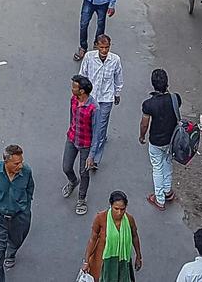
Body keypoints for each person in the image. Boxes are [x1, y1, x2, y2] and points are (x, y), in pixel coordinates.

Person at [0, 144, 35, 281]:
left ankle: (11, 253)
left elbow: (30, 189)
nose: (20, 166)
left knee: (17, 240)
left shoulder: (26, 172)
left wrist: (25, 208)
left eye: (21, 161)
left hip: (19, 216)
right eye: (16, 163)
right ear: (6, 162)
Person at [78, 32, 122, 169]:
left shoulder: (115, 60)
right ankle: (89, 149)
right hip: (90, 98)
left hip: (106, 99)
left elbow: (118, 78)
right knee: (89, 126)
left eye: (107, 47)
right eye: (101, 47)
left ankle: (95, 159)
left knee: (101, 129)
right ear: (96, 46)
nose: (104, 51)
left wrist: (117, 93)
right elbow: (82, 75)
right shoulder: (89, 57)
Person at [138, 68, 180, 210]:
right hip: (172, 139)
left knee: (157, 167)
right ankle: (168, 191)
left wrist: (142, 136)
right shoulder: (175, 98)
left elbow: (145, 124)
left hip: (156, 141)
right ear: (167, 83)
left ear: (153, 84)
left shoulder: (148, 104)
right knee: (168, 163)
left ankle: (159, 199)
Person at [81, 191, 142, 282]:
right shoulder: (100, 218)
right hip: (103, 260)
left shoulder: (129, 219)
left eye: (122, 209)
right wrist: (86, 262)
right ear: (110, 205)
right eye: (116, 209)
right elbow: (92, 239)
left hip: (122, 261)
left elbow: (135, 237)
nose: (119, 213)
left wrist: (138, 256)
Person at [63, 75, 96, 215]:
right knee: (66, 167)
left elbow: (97, 133)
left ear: (82, 91)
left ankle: (81, 199)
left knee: (84, 173)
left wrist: (92, 154)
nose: (72, 89)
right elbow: (72, 117)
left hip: (86, 144)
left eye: (74, 87)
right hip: (72, 138)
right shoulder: (73, 100)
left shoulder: (94, 108)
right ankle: (72, 181)